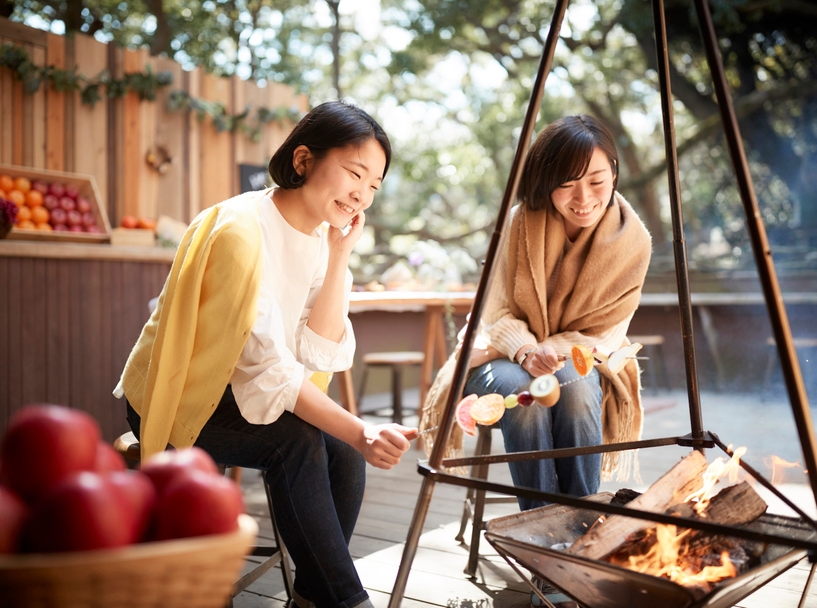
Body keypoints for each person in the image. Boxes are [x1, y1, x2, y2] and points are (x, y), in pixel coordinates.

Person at [114, 100, 416, 608]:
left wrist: (340, 255)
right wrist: (361, 429)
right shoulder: (240, 230)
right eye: (354, 173)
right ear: (303, 160)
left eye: (374, 185)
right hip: (180, 392)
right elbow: (272, 370)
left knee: (344, 453)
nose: (362, 194)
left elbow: (316, 350)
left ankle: (314, 597)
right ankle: (346, 601)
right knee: (301, 442)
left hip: (238, 388)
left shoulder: (320, 237)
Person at [419, 114, 651, 607]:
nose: (583, 197)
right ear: (546, 183)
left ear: (614, 171)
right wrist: (527, 349)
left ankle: (584, 538)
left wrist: (554, 351)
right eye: (567, 184)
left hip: (578, 355)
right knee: (525, 396)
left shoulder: (635, 241)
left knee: (576, 386)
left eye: (597, 181)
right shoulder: (521, 222)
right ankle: (546, 549)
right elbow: (494, 308)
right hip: (498, 350)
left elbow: (606, 331)